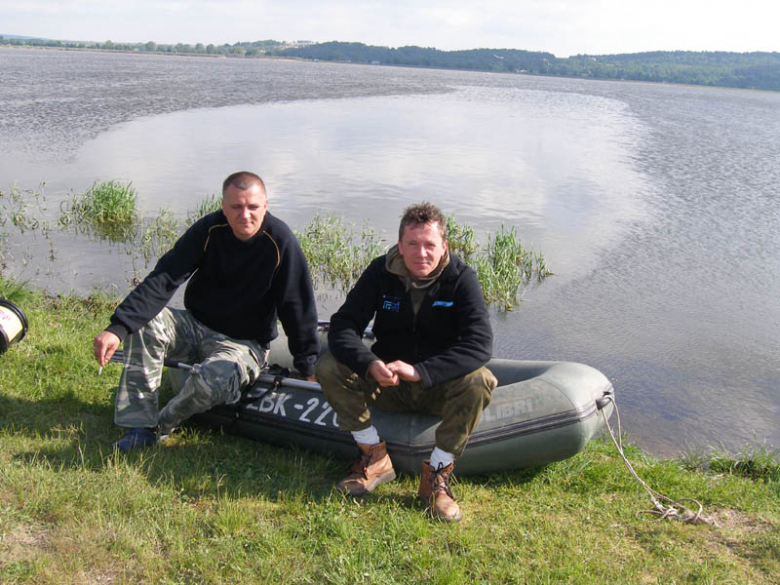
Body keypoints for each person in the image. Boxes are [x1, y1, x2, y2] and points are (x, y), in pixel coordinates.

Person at [94, 171, 319, 452]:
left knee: (218, 378)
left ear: (265, 205)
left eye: (253, 207)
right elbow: (165, 278)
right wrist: (118, 327)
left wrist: (307, 366)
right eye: (236, 207)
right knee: (143, 323)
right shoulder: (209, 229)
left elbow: (298, 307)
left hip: (244, 343)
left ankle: (160, 426)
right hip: (196, 325)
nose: (244, 215)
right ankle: (137, 425)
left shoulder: (281, 242)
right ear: (224, 206)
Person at [315, 202, 496, 522]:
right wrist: (369, 363)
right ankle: (374, 457)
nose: (421, 253)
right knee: (329, 366)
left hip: (437, 387)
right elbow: (343, 325)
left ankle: (437, 480)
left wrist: (422, 372)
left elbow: (480, 344)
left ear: (444, 247)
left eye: (430, 245)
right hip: (389, 383)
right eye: (412, 244)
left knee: (480, 379)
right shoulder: (380, 272)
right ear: (400, 245)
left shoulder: (462, 279)